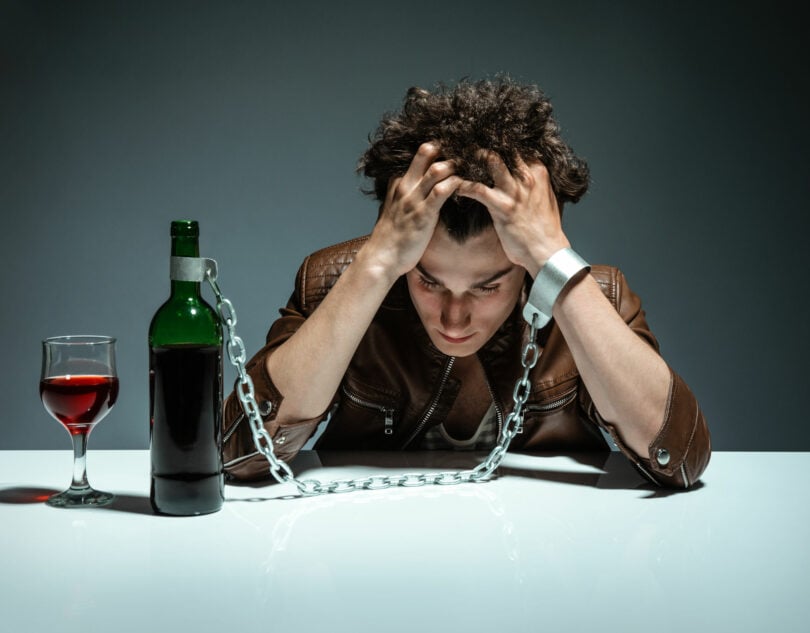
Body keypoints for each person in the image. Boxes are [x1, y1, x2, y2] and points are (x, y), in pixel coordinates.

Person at [223, 77, 711, 488]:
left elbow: (681, 460)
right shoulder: (336, 283)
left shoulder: (596, 298)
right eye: (428, 282)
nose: (454, 318)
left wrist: (555, 261)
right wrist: (375, 265)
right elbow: (240, 453)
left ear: (524, 262)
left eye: (487, 287)